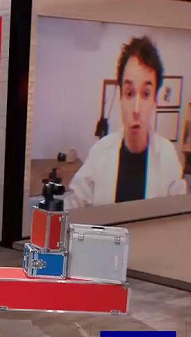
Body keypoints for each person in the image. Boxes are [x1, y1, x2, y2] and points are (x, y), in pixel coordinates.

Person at [66, 36, 187, 209]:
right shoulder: (99, 154)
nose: (136, 109)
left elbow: (178, 217)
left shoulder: (168, 157)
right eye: (130, 93)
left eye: (146, 94)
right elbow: (72, 207)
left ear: (155, 101)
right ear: (121, 97)